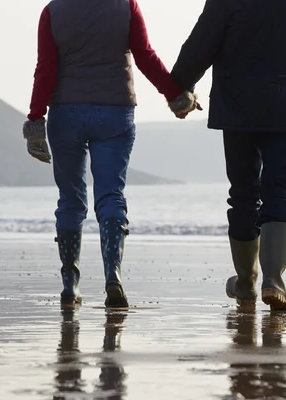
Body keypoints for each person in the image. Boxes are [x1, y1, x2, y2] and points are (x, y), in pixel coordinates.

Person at [22, 0, 200, 308]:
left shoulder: (53, 11)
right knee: (111, 196)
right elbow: (144, 55)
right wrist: (175, 95)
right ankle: (113, 276)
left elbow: (46, 69)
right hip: (115, 113)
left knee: (70, 199)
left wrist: (36, 117)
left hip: (66, 114)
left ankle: (70, 285)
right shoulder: (126, 6)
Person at [170, 0, 286, 311]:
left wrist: (179, 88)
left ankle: (246, 282)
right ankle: (274, 280)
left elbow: (201, 44)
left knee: (243, 193)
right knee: (280, 190)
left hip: (237, 108)